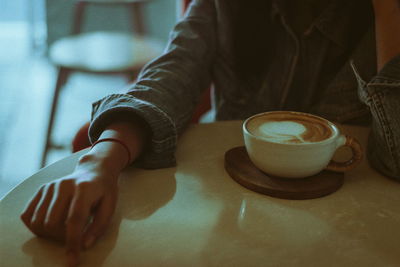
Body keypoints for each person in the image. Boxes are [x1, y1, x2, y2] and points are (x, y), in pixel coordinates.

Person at [20, 0, 400, 266]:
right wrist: (100, 158)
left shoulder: (383, 22)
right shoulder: (225, 6)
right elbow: (174, 72)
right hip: (234, 221)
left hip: (350, 235)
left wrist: (387, 12)